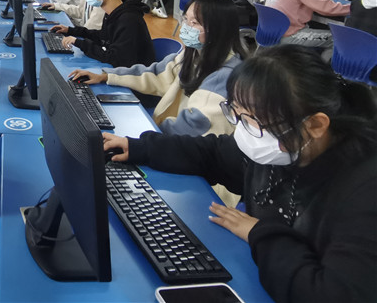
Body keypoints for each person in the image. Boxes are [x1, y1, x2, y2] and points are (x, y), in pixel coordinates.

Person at [101, 45, 377, 303]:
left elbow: (331, 293)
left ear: (315, 125)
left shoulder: (363, 192)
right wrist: (140, 147)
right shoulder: (282, 145)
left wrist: (260, 233)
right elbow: (213, 154)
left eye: (254, 120)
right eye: (238, 114)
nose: (244, 130)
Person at [69, 0, 246, 138]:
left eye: (195, 23)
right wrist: (107, 76)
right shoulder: (194, 54)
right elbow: (156, 73)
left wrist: (146, 133)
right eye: (186, 19)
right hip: (168, 135)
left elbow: (194, 127)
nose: (186, 27)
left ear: (218, 30)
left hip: (190, 152)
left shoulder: (226, 77)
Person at [50, 0, 155, 67]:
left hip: (133, 74)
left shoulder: (129, 20)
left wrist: (80, 43)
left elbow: (115, 59)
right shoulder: (113, 12)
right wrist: (70, 31)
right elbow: (103, 36)